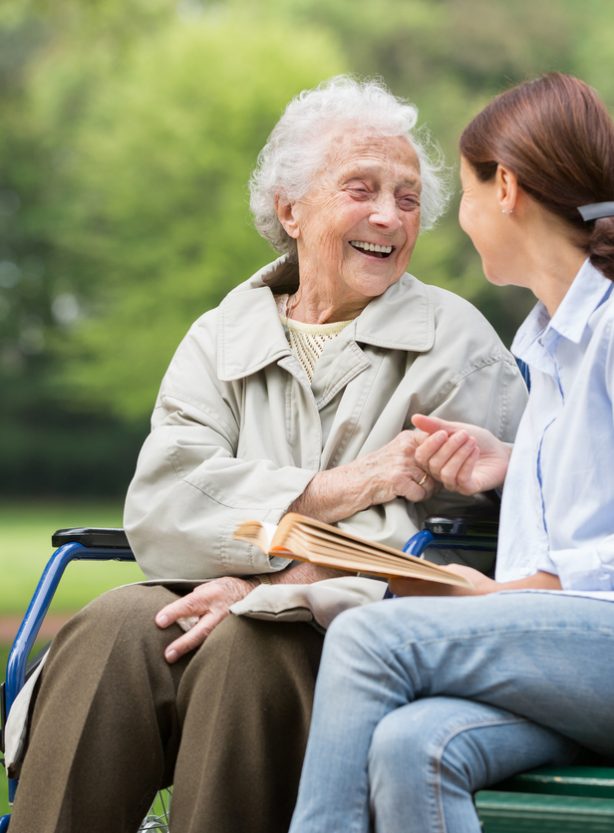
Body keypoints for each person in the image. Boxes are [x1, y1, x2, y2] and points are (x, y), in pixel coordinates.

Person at [6, 77, 527, 833]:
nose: (389, 215)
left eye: (408, 197)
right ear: (291, 207)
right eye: (361, 188)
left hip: (350, 634)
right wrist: (352, 484)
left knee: (247, 650)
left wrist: (269, 584)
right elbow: (164, 502)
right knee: (112, 628)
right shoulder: (220, 335)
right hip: (206, 595)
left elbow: (466, 541)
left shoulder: (457, 344)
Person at [288, 72, 614, 833]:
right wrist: (512, 460)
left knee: (369, 637)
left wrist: (491, 597)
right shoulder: (551, 345)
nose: (453, 221)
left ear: (505, 187)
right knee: (413, 745)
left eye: (459, 196)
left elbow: (589, 573)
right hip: (579, 661)